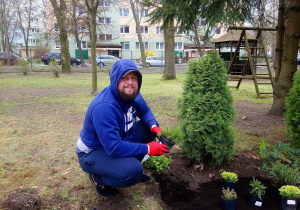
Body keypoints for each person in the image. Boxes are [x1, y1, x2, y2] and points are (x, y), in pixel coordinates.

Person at [76, 59, 169, 197]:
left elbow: (145, 112)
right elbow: (114, 147)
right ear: (115, 80)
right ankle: (99, 178)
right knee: (132, 172)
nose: (130, 82)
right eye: (124, 78)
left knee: (148, 128)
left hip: (118, 139)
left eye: (133, 78)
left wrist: (153, 125)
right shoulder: (104, 107)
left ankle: (125, 166)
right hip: (94, 151)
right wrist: (148, 148)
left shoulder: (132, 94)